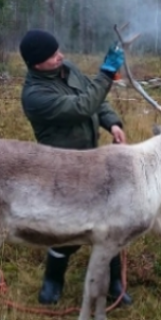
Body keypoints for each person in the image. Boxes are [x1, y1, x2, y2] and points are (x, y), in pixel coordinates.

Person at [18, 29, 133, 306]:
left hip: (93, 160)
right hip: (62, 168)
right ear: (36, 64)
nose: (61, 56)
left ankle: (114, 283)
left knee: (109, 223)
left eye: (59, 50)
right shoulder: (35, 95)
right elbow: (83, 106)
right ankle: (53, 281)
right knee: (67, 228)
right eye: (53, 55)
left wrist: (112, 123)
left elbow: (96, 101)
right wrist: (106, 73)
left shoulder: (66, 69)